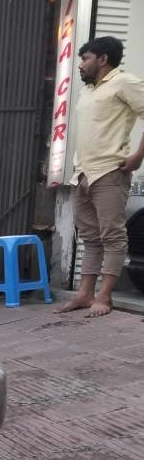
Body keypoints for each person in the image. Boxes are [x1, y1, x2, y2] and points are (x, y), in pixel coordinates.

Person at [58, 36, 144, 317]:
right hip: (83, 173)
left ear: (103, 59)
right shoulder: (89, 90)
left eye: (85, 59)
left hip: (110, 172)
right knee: (90, 238)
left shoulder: (124, 82)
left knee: (113, 236)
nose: (80, 65)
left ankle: (104, 297)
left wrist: (138, 156)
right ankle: (85, 294)